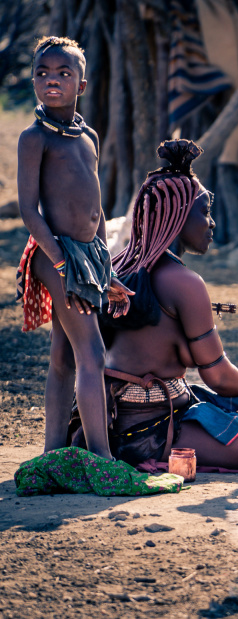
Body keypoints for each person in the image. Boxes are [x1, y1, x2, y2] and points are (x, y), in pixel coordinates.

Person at [100, 139, 238, 470]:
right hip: (149, 429)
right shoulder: (184, 283)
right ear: (176, 218)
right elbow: (219, 378)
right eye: (204, 211)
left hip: (154, 409)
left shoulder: (120, 268)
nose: (212, 223)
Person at [16, 36, 131, 460]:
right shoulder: (35, 138)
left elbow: (96, 211)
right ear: (33, 82)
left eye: (64, 74)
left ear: (81, 86)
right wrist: (64, 264)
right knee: (93, 354)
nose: (52, 81)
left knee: (65, 356)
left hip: (87, 259)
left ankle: (54, 453)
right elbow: (30, 211)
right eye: (43, 73)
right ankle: (100, 459)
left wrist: (106, 270)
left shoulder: (87, 137)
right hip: (54, 254)